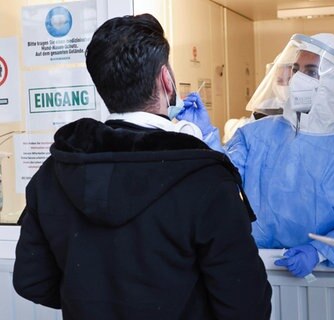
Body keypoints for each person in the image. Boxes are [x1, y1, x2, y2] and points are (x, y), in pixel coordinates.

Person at [13, 14, 271, 320]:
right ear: (166, 79)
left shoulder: (55, 172)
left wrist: (92, 299)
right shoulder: (205, 179)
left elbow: (32, 281)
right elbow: (246, 305)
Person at [179, 33, 334, 278]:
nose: (299, 79)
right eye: (296, 69)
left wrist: (320, 251)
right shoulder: (256, 135)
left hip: (332, 274)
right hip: (255, 265)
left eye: (311, 71)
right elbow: (223, 180)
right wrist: (205, 136)